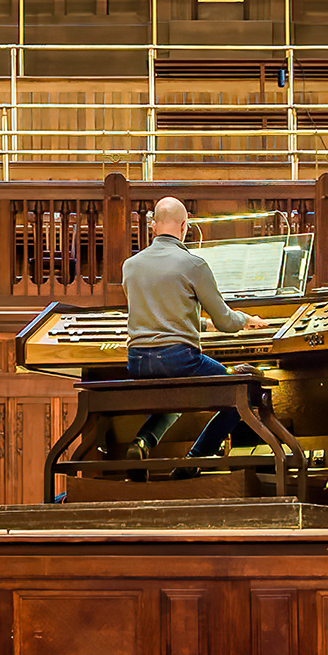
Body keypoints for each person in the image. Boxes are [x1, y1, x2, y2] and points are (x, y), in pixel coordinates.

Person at [116, 195, 257, 463]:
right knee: (242, 394)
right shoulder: (194, 265)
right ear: (185, 226)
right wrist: (245, 319)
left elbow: (160, 314)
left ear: (153, 226)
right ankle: (195, 460)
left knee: (177, 396)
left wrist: (201, 325)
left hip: (137, 363)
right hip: (177, 360)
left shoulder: (130, 266)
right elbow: (226, 322)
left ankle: (142, 443)